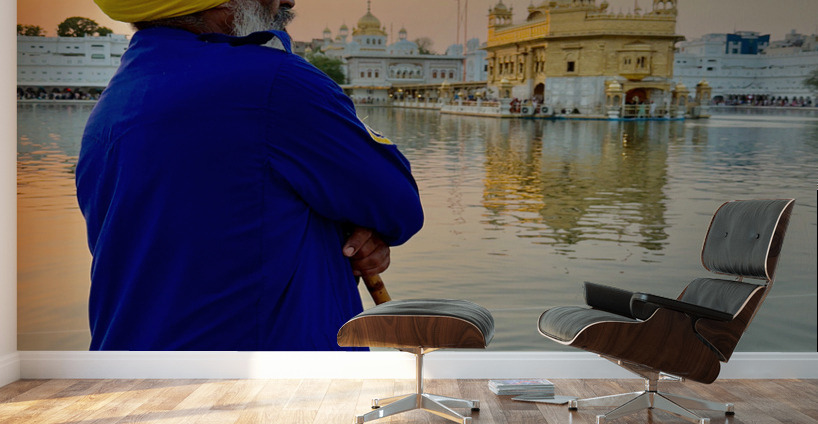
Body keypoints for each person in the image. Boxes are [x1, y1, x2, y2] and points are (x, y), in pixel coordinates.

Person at [76, 0, 424, 350]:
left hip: (129, 379)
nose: (287, 2)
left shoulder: (114, 102)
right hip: (260, 388)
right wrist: (358, 224)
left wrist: (330, 228)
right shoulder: (274, 82)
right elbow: (399, 206)